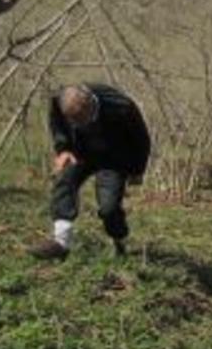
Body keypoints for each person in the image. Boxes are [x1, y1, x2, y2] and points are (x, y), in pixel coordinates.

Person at [28, 83, 150, 260]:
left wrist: (137, 170)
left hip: (113, 159)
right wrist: (63, 149)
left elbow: (141, 140)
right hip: (80, 152)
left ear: (91, 103)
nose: (82, 124)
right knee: (64, 181)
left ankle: (120, 241)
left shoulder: (122, 106)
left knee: (109, 208)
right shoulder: (58, 101)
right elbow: (57, 123)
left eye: (85, 119)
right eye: (75, 121)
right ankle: (61, 243)